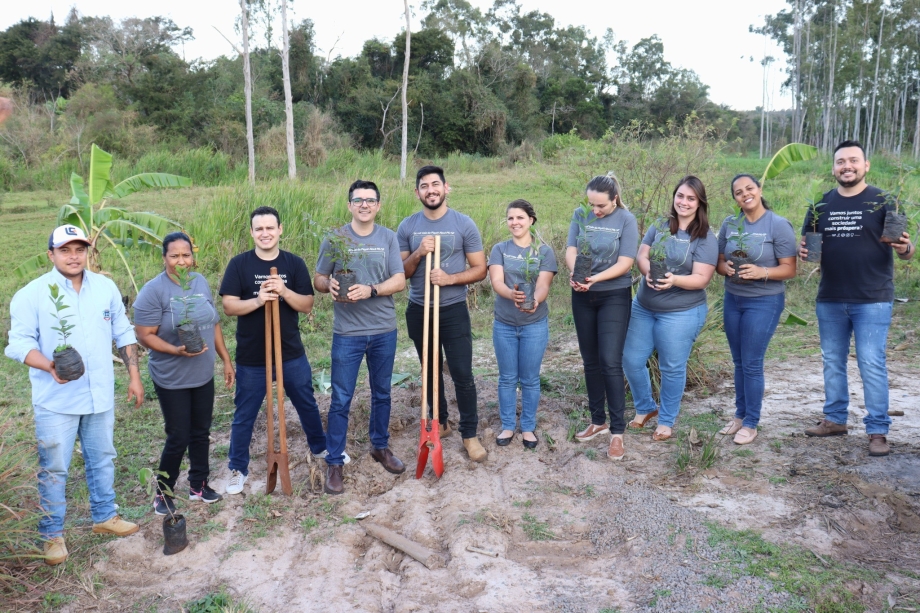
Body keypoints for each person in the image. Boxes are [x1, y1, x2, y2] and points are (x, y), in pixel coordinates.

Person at [6, 225, 143, 566]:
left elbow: (122, 330)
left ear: (88, 252)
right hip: (57, 401)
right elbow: (19, 343)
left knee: (103, 457)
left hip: (99, 394)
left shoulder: (105, 287)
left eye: (79, 249)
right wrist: (50, 365)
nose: (73, 256)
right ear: (50, 254)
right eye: (64, 250)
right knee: (54, 467)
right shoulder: (32, 294)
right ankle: (52, 534)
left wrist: (134, 376)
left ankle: (104, 516)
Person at [799, 140, 913, 457]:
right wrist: (803, 250)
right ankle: (835, 419)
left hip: (873, 298)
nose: (846, 166)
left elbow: (907, 251)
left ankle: (877, 430)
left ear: (866, 166)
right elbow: (808, 248)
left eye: (853, 160)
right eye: (840, 162)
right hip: (831, 297)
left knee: (871, 363)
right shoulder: (820, 204)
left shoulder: (885, 201)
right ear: (834, 167)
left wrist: (904, 248)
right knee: (832, 361)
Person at [219, 206, 333, 495]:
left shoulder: (293, 264)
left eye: (270, 228)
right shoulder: (239, 264)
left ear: (280, 229)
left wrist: (283, 291)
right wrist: (258, 300)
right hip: (252, 357)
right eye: (259, 229)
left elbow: (307, 304)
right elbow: (230, 306)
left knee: (306, 403)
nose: (265, 233)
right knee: (245, 414)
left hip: (290, 354)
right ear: (252, 232)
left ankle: (320, 449)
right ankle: (237, 468)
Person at [314, 180, 407, 494]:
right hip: (348, 333)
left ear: (378, 205)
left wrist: (372, 290)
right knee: (341, 398)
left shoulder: (388, 238)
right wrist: (329, 287)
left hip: (383, 330)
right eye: (358, 200)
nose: (364, 204)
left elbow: (399, 279)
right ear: (349, 204)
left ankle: (380, 447)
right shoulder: (335, 238)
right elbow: (319, 277)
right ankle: (335, 461)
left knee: (382, 392)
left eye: (370, 200)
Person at [134, 232, 235, 515]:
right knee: (178, 435)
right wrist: (173, 349)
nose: (181, 261)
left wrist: (226, 359)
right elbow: (144, 335)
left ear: (193, 256)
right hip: (171, 376)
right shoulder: (153, 291)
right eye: (174, 256)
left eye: (186, 255)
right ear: (164, 257)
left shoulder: (199, 282)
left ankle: (198, 485)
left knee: (201, 432)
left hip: (202, 373)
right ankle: (163, 494)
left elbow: (213, 323)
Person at [398, 165, 489, 462]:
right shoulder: (408, 226)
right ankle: (440, 422)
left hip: (453, 310)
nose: (430, 190)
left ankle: (470, 434)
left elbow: (480, 270)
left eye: (435, 184)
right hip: (419, 309)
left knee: (462, 373)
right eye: (424, 186)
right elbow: (402, 273)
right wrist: (419, 253)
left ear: (446, 188)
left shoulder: (464, 224)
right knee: (430, 370)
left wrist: (450, 279)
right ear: (417, 193)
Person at [623, 176, 718, 441]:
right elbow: (642, 255)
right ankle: (645, 408)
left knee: (671, 366)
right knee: (631, 359)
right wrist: (648, 273)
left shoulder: (705, 238)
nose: (684, 202)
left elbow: (702, 278)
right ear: (674, 197)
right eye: (680, 196)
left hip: (682, 311)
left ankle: (666, 419)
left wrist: (673, 280)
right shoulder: (660, 226)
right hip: (644, 306)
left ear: (699, 202)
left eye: (690, 198)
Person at [715, 174, 797, 444]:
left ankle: (751, 422)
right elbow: (719, 261)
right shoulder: (730, 224)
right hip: (733, 299)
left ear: (760, 189)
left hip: (765, 301)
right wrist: (723, 268)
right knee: (738, 361)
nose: (745, 194)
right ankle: (739, 415)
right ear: (734, 198)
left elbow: (790, 269)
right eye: (738, 192)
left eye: (749, 188)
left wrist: (762, 271)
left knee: (751, 362)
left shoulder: (778, 225)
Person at [567, 174, 639, 460]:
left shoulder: (626, 219)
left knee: (610, 361)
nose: (594, 211)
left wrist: (594, 279)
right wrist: (576, 274)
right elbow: (571, 249)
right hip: (582, 296)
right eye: (591, 205)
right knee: (590, 361)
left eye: (601, 206)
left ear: (615, 199)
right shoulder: (580, 214)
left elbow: (626, 263)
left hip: (613, 295)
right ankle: (598, 421)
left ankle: (617, 433)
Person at [488, 200, 557, 448]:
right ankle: (507, 426)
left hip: (534, 324)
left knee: (529, 378)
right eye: (510, 218)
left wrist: (534, 300)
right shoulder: (500, 249)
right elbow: (496, 281)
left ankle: (528, 427)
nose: (515, 222)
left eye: (520, 218)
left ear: (531, 220)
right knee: (507, 378)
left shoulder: (544, 251)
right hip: (504, 323)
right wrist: (512, 295)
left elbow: (543, 284)